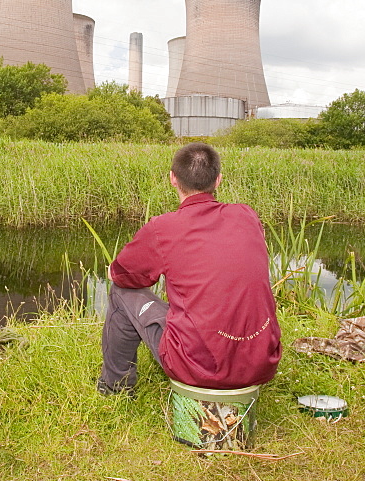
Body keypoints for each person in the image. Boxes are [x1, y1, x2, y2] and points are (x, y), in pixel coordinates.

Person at [98, 142, 281, 393]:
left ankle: (114, 388)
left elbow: (123, 275)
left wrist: (116, 271)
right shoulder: (247, 215)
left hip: (198, 367)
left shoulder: (163, 227)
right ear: (218, 180)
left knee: (120, 291)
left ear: (173, 178)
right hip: (262, 363)